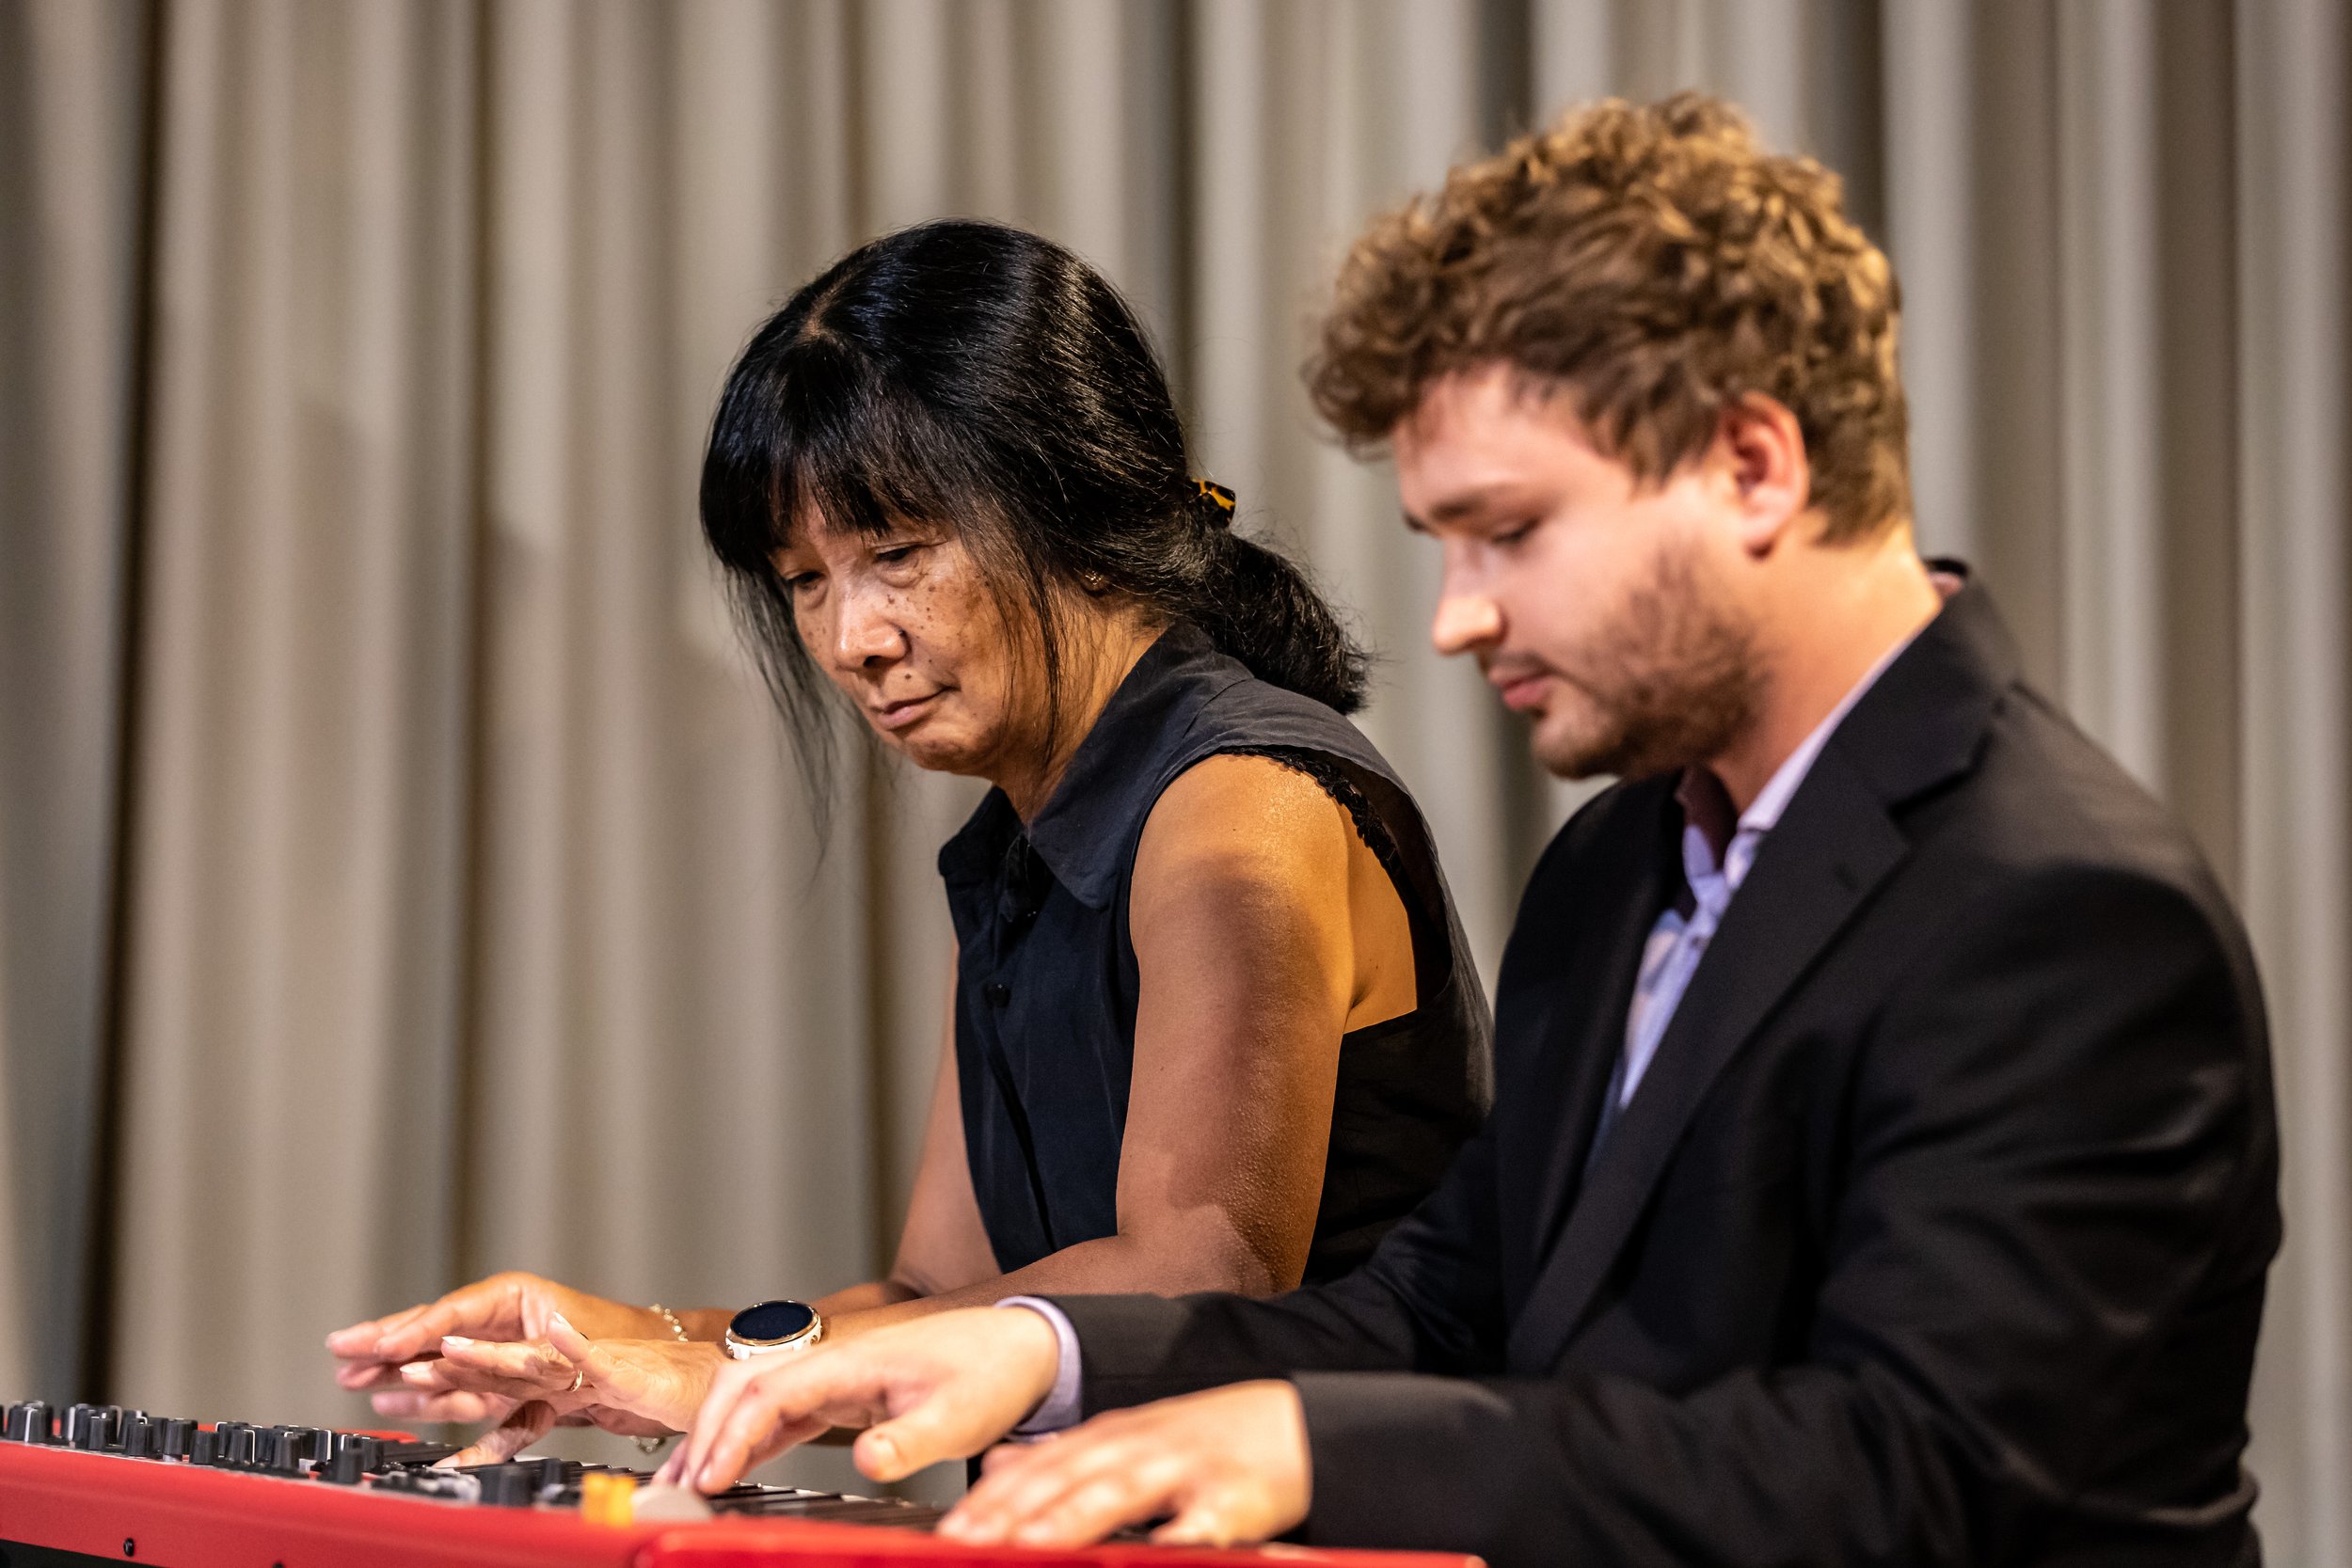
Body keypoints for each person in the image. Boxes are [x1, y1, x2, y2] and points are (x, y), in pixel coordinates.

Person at [654, 95, 2281, 1567]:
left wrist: (1300, 1442)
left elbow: (1909, 1474)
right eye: (1446, 543)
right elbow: (1447, 1301)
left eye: (1508, 533)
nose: (1454, 618)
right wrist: (1041, 1350)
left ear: (1753, 464)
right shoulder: (1618, 867)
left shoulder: (2061, 908)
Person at [323, 220, 1491, 1465]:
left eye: (894, 554)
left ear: (1072, 498)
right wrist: (625, 1345)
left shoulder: (1237, 803)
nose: (849, 641)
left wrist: (691, 1372)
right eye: (804, 581)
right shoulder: (1019, 840)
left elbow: (1188, 1282)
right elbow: (937, 1288)